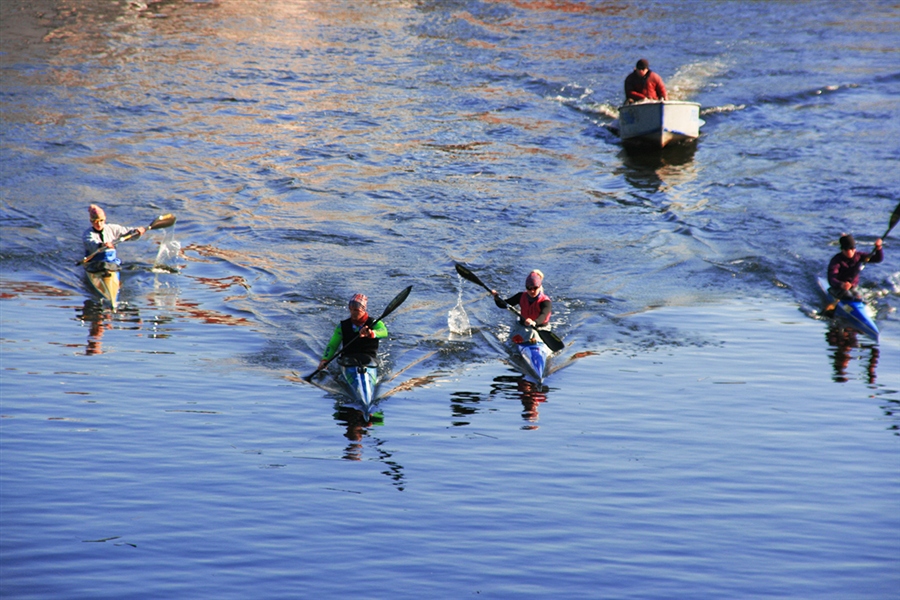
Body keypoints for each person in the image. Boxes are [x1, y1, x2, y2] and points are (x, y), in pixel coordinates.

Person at [317, 293, 388, 371]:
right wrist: (325, 360)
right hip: (348, 360)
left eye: (356, 310)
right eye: (351, 309)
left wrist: (371, 333)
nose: (353, 312)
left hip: (369, 360)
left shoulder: (375, 323)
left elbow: (384, 332)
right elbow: (332, 346)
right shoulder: (342, 326)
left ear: (363, 309)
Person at [82, 204, 145, 272]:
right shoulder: (87, 234)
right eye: (96, 221)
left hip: (111, 262)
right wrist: (102, 245)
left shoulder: (112, 228)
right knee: (101, 265)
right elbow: (90, 243)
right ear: (91, 221)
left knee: (112, 265)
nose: (99, 224)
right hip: (94, 262)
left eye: (101, 220)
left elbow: (127, 231)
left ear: (105, 219)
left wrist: (136, 231)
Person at [491, 270, 552, 335]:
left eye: (535, 288)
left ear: (539, 287)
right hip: (522, 326)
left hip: (539, 327)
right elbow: (503, 305)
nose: (532, 291)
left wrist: (534, 322)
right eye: (529, 288)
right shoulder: (520, 296)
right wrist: (496, 298)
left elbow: (543, 315)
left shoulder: (545, 301)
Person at [827, 233, 883, 300]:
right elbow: (831, 278)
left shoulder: (858, 256)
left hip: (852, 287)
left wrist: (878, 248)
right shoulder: (836, 260)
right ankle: (832, 292)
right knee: (847, 296)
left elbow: (878, 259)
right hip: (838, 287)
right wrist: (841, 284)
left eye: (852, 248)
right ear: (842, 249)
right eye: (847, 249)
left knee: (858, 298)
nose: (850, 252)